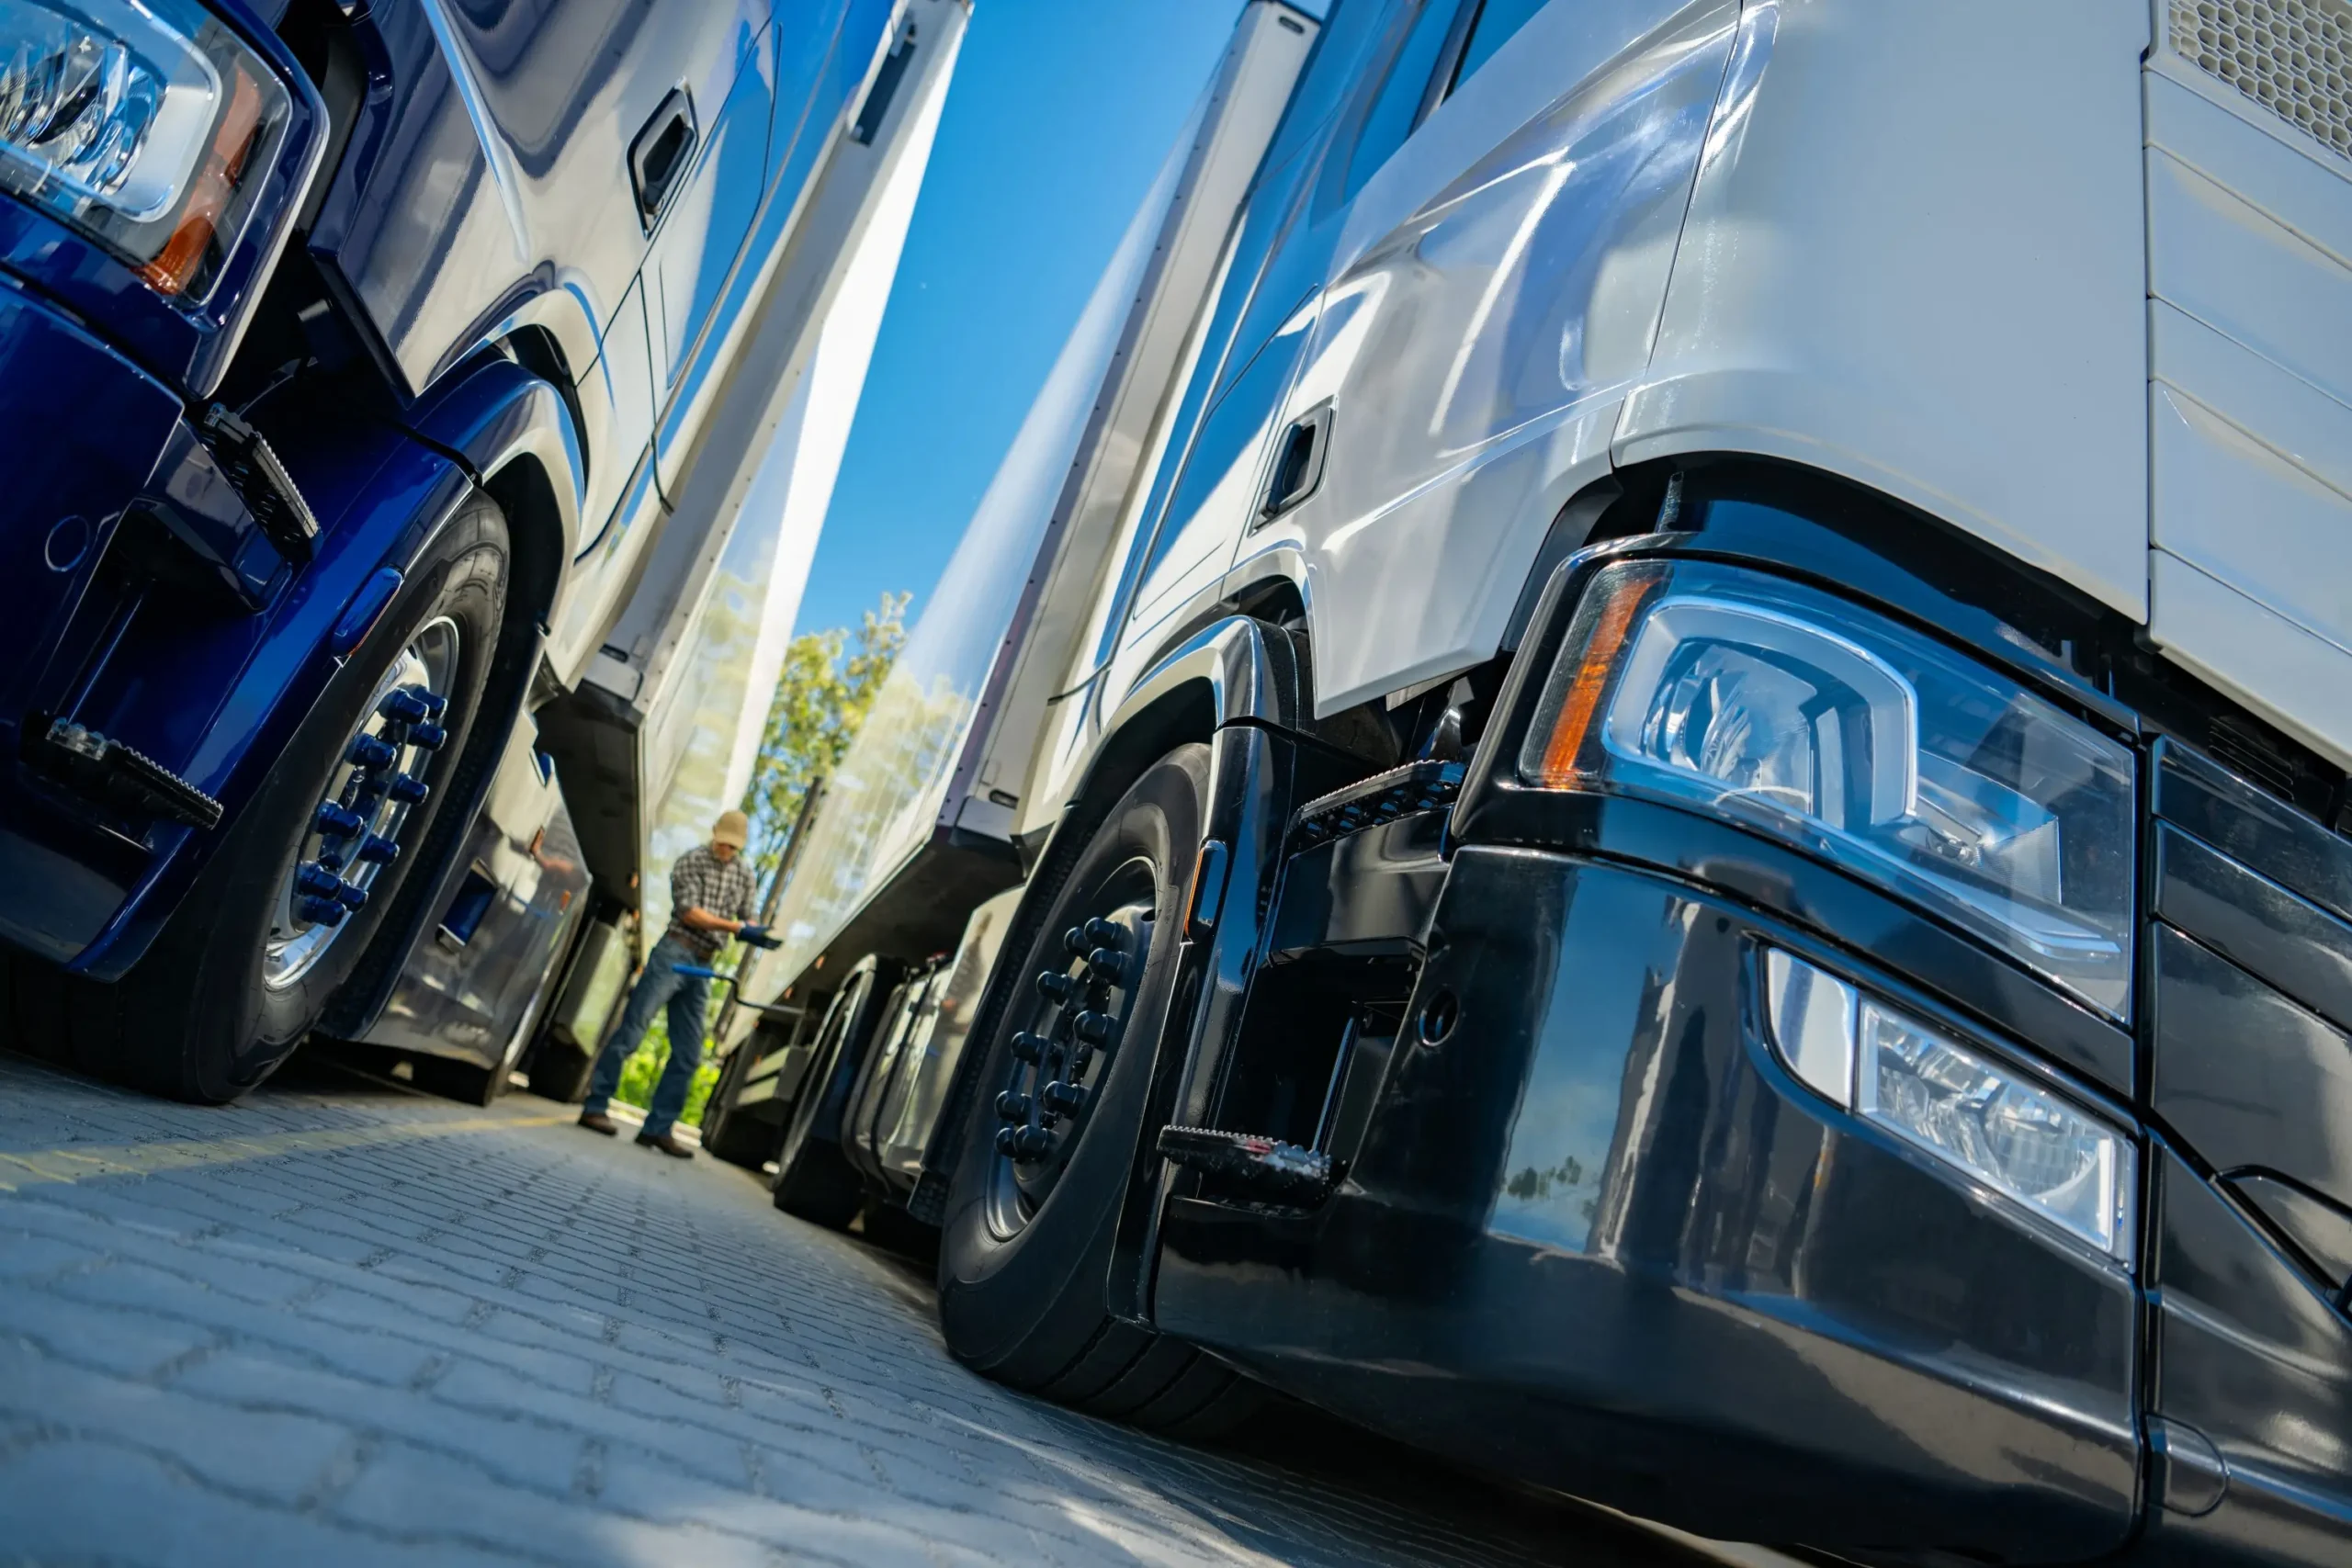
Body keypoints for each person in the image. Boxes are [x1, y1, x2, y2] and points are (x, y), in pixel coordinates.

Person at [578, 809, 766, 1157]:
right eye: (723, 843)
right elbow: (690, 912)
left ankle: (658, 1129)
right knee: (633, 1032)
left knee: (689, 1053)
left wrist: (754, 928)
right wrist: (737, 929)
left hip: (705, 964)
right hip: (674, 952)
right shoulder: (691, 861)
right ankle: (594, 1106)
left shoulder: (744, 873)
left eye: (733, 847)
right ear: (714, 834)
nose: (726, 850)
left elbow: (747, 912)